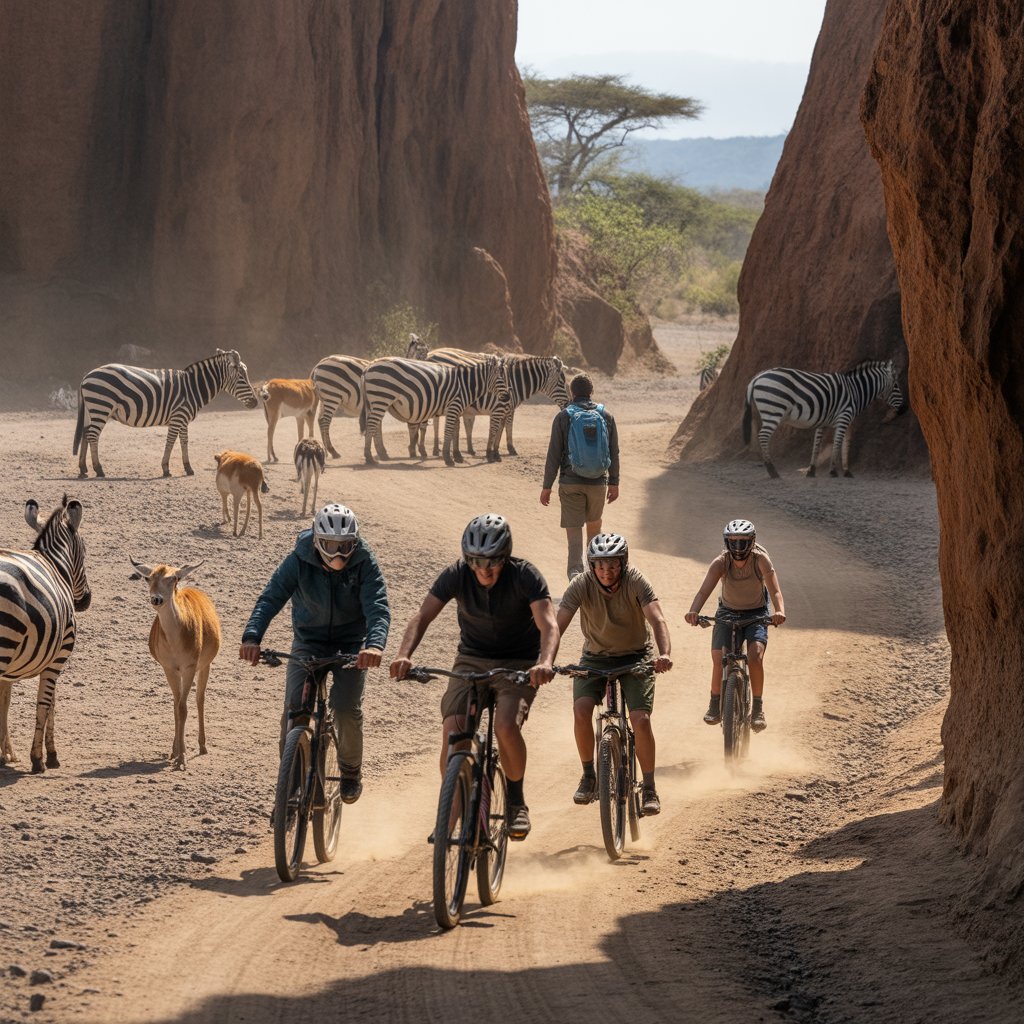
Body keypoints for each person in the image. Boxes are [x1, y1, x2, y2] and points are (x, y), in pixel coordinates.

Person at [389, 513, 558, 840]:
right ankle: (449, 812)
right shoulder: (456, 574)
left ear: (505, 556)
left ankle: (516, 803)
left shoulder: (526, 576)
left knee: (505, 726)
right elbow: (422, 616)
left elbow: (548, 624)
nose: (484, 568)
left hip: (519, 663)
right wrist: (404, 654)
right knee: (454, 729)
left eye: (493, 560)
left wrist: (545, 662)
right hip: (471, 659)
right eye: (476, 561)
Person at [239, 503, 390, 804]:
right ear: (318, 540)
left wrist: (374, 645)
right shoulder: (299, 559)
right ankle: (292, 787)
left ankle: (349, 771)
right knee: (295, 712)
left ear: (355, 542)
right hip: (308, 641)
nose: (338, 553)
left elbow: (377, 606)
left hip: (351, 645)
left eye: (345, 545)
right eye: (331, 545)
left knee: (345, 707)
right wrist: (252, 636)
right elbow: (270, 597)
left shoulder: (364, 562)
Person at [556, 533, 672, 815]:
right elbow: (556, 625)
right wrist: (545, 660)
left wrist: (664, 653)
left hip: (636, 656)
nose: (606, 571)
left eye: (613, 565)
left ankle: (649, 787)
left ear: (623, 563)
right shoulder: (581, 585)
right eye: (600, 565)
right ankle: (588, 775)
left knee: (640, 720)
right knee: (581, 711)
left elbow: (657, 618)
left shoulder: (635, 580)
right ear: (591, 566)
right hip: (595, 657)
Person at [684, 519, 785, 732]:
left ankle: (757, 708)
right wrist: (694, 611)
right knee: (718, 657)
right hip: (727, 612)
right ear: (726, 542)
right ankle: (714, 703)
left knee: (755, 656)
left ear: (752, 542)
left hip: (756, 613)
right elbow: (704, 591)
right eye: (733, 542)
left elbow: (774, 590)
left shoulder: (761, 560)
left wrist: (779, 611)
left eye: (743, 542)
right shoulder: (721, 562)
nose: (738, 547)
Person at [540, 372, 620, 581]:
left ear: (571, 392)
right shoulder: (606, 416)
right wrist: (614, 483)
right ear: (591, 392)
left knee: (574, 530)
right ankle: (595, 572)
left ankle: (575, 574)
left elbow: (553, 454)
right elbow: (614, 452)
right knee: (594, 527)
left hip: (570, 482)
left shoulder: (564, 416)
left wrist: (547, 486)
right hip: (598, 483)